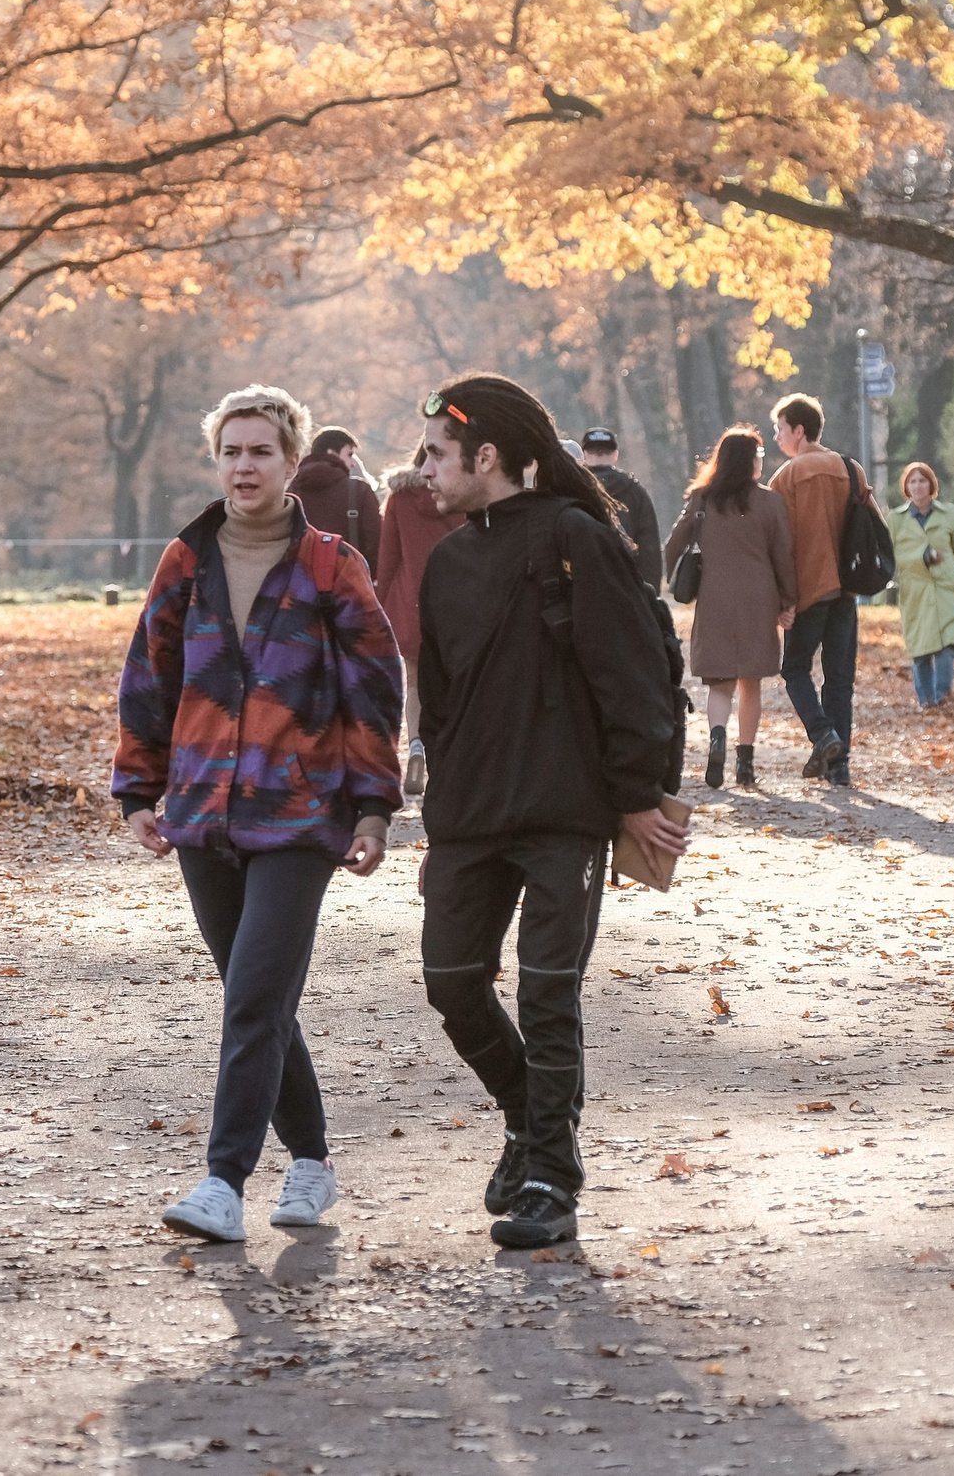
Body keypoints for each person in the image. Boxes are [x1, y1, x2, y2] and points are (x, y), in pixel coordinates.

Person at [113, 385, 403, 1243]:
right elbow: (150, 676)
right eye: (231, 451)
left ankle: (222, 1179)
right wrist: (138, 788)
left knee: (254, 997)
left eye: (261, 451)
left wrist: (374, 808)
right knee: (257, 995)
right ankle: (311, 1162)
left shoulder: (330, 564)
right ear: (219, 461)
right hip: (203, 808)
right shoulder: (185, 561)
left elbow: (374, 694)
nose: (245, 466)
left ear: (291, 462)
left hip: (301, 813)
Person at [416, 372, 687, 1250]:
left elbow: (633, 679)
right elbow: (442, 705)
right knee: (452, 981)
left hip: (565, 815)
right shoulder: (448, 560)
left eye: (435, 454)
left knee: (546, 992)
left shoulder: (576, 537)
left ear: (485, 456)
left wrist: (639, 798)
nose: (422, 470)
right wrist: (437, 811)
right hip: (469, 821)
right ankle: (531, 1122)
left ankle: (549, 1179)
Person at [663, 427, 796, 790]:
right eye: (759, 456)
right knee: (750, 683)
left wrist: (682, 573)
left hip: (715, 596)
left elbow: (673, 545)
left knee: (719, 683)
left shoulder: (703, 499)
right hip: (759, 597)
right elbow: (782, 555)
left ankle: (717, 739)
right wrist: (788, 600)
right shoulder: (770, 502)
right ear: (750, 461)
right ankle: (746, 764)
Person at [768, 393, 868, 785]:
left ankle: (823, 733)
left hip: (808, 590)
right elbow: (871, 526)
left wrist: (783, 599)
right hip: (845, 589)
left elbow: (779, 544)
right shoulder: (850, 468)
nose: (777, 437)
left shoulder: (786, 478)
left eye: (780, 429)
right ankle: (839, 767)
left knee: (794, 669)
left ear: (798, 430)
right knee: (840, 679)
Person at [375, 450, 465, 797]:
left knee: (415, 682)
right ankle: (449, 754)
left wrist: (382, 607)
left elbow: (388, 558)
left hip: (409, 602)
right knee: (456, 682)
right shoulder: (462, 493)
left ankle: (415, 747)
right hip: (456, 603)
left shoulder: (399, 499)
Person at [890, 461, 954, 708]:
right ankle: (926, 703)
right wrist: (922, 556)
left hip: (947, 588)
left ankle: (942, 699)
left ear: (931, 484)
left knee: (947, 648)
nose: (918, 486)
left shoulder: (948, 513)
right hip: (915, 592)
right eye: (912, 481)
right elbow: (892, 557)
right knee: (921, 651)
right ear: (906, 487)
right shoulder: (895, 519)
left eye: (922, 480)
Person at [580, 427, 664, 592]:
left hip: (585, 586)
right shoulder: (635, 492)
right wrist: (651, 594)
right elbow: (649, 547)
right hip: (628, 586)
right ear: (615, 455)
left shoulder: (574, 489)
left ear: (584, 455)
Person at [293, 426, 382, 561]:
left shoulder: (290, 492)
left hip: (299, 578)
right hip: (348, 577)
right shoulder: (359, 491)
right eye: (350, 455)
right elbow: (376, 543)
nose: (352, 463)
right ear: (332, 453)